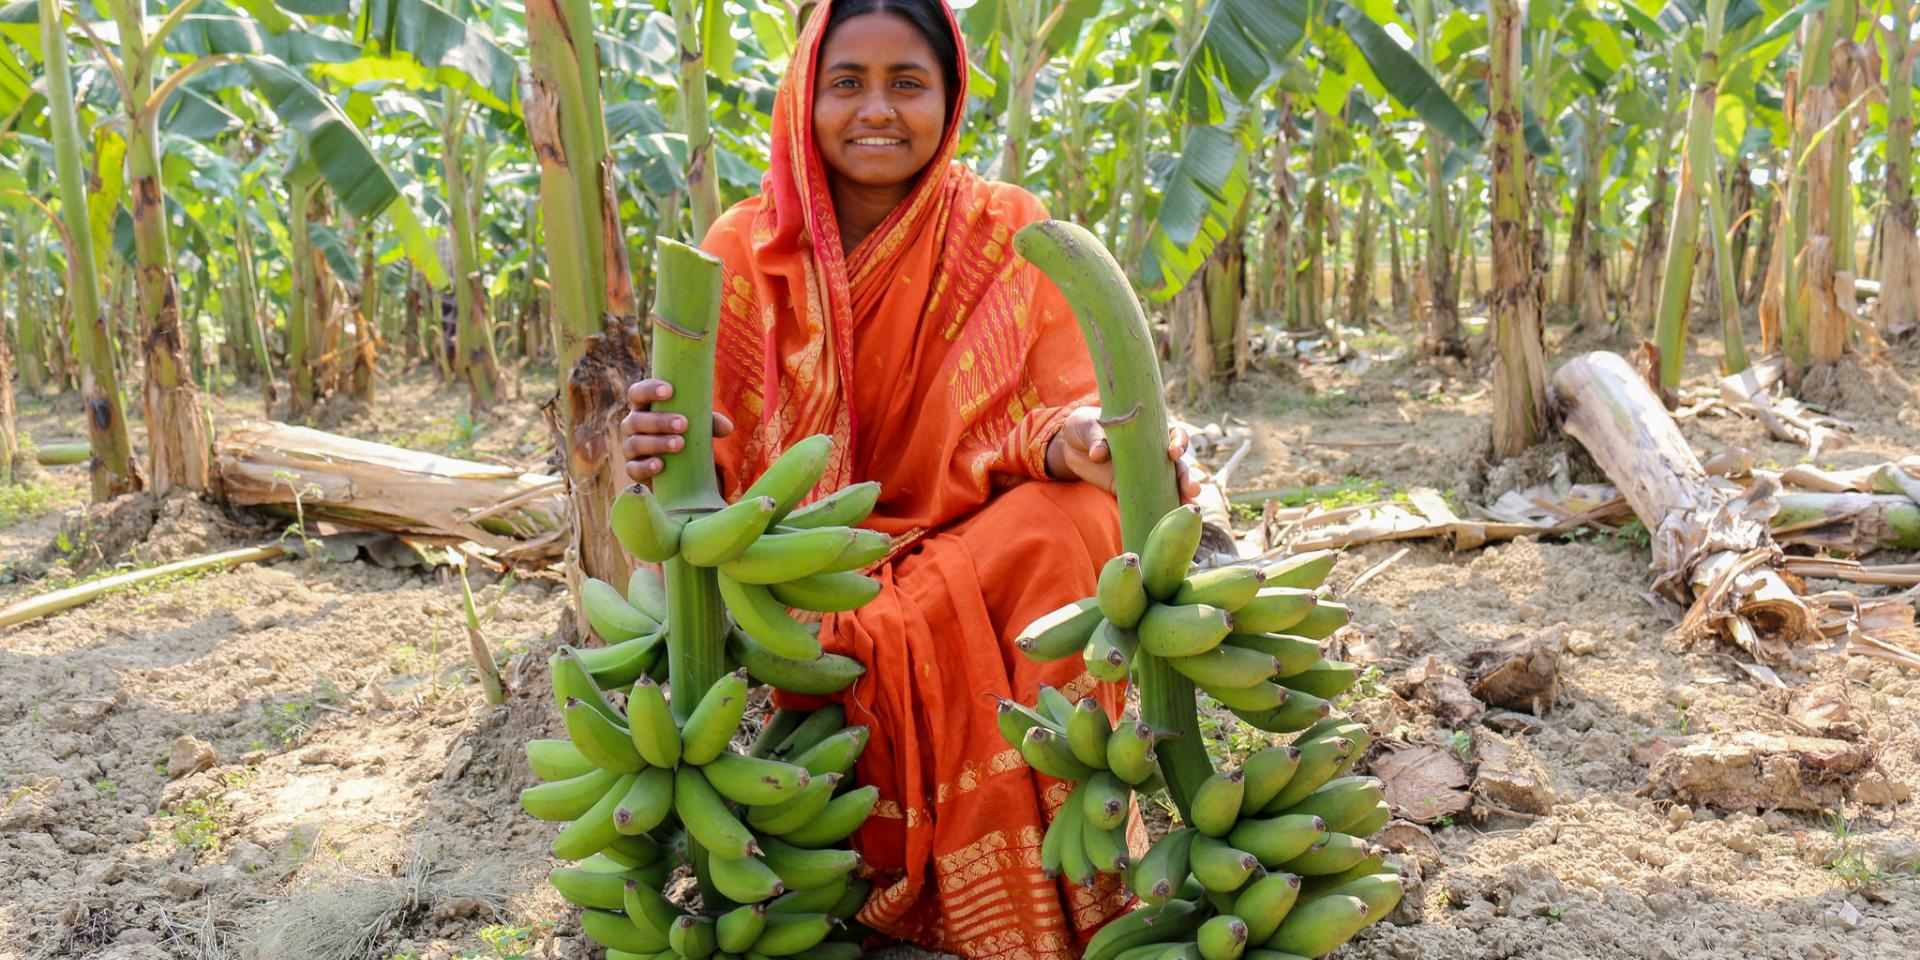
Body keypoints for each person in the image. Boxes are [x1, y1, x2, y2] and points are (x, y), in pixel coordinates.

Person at [619, 1, 1193, 956]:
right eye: (847, 82)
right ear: (804, 96)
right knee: (900, 599)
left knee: (1072, 526)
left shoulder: (1005, 228)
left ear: (950, 96)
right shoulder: (742, 249)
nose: (877, 109)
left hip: (974, 537)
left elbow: (1050, 409)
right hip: (808, 575)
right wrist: (651, 447)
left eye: (907, 83)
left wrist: (1084, 439)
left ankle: (1075, 866)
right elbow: (704, 471)